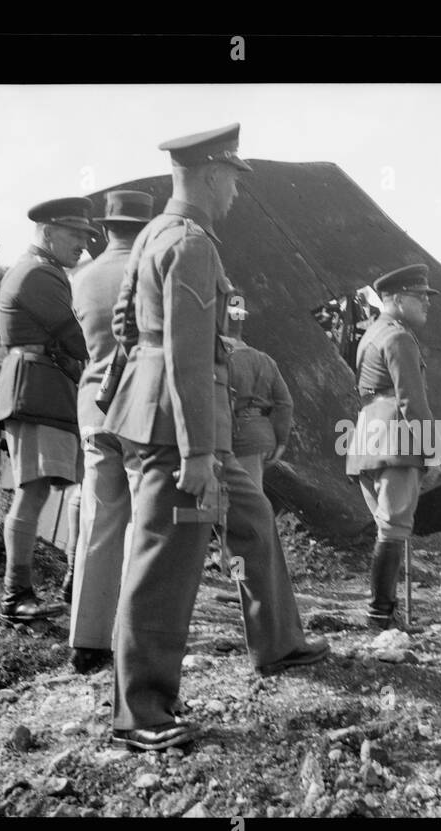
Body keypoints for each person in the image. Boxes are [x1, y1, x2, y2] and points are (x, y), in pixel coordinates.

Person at [104, 123, 327, 752]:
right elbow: (187, 356)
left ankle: (278, 642)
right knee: (165, 558)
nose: (236, 191)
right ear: (208, 173)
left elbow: (129, 330)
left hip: (177, 416)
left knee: (252, 516)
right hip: (178, 427)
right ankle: (139, 712)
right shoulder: (191, 243)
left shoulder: (154, 232)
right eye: (233, 178)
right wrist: (198, 451)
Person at [0, 197, 98, 619]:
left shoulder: (44, 270)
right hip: (35, 393)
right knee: (33, 493)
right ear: (49, 232)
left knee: (79, 485)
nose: (83, 246)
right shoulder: (39, 273)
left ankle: (74, 580)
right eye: (76, 235)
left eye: (87, 236)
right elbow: (78, 337)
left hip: (47, 392)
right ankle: (15, 595)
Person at [66, 190, 153, 673]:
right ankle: (130, 638)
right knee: (144, 522)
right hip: (139, 406)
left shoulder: (82, 277)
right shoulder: (152, 273)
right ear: (145, 229)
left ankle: (86, 639)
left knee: (98, 521)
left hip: (92, 406)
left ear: (106, 228)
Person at [346, 264, 438, 630]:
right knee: (394, 528)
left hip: (368, 437)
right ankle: (381, 613)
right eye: (420, 298)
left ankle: (384, 611)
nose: (427, 305)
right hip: (396, 440)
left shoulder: (371, 334)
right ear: (397, 299)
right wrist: (432, 451)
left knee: (387, 526)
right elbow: (412, 402)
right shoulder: (399, 337)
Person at [224, 308, 294, 490]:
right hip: (263, 438)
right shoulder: (265, 360)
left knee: (250, 502)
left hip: (240, 438)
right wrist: (281, 442)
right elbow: (285, 403)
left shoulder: (223, 359)